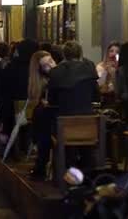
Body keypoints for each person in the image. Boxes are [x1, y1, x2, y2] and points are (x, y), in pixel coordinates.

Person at [33, 41, 99, 178]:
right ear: (80, 53)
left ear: (64, 55)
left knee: (43, 120)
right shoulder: (90, 67)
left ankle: (43, 166)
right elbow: (96, 96)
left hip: (64, 126)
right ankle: (88, 171)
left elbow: (52, 101)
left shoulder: (56, 73)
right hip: (88, 125)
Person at [29, 51, 57, 178]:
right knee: (41, 113)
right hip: (50, 120)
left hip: (57, 118)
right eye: (46, 65)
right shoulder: (42, 83)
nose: (51, 66)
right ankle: (42, 160)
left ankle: (41, 163)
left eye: (51, 61)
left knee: (40, 114)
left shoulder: (61, 76)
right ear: (39, 69)